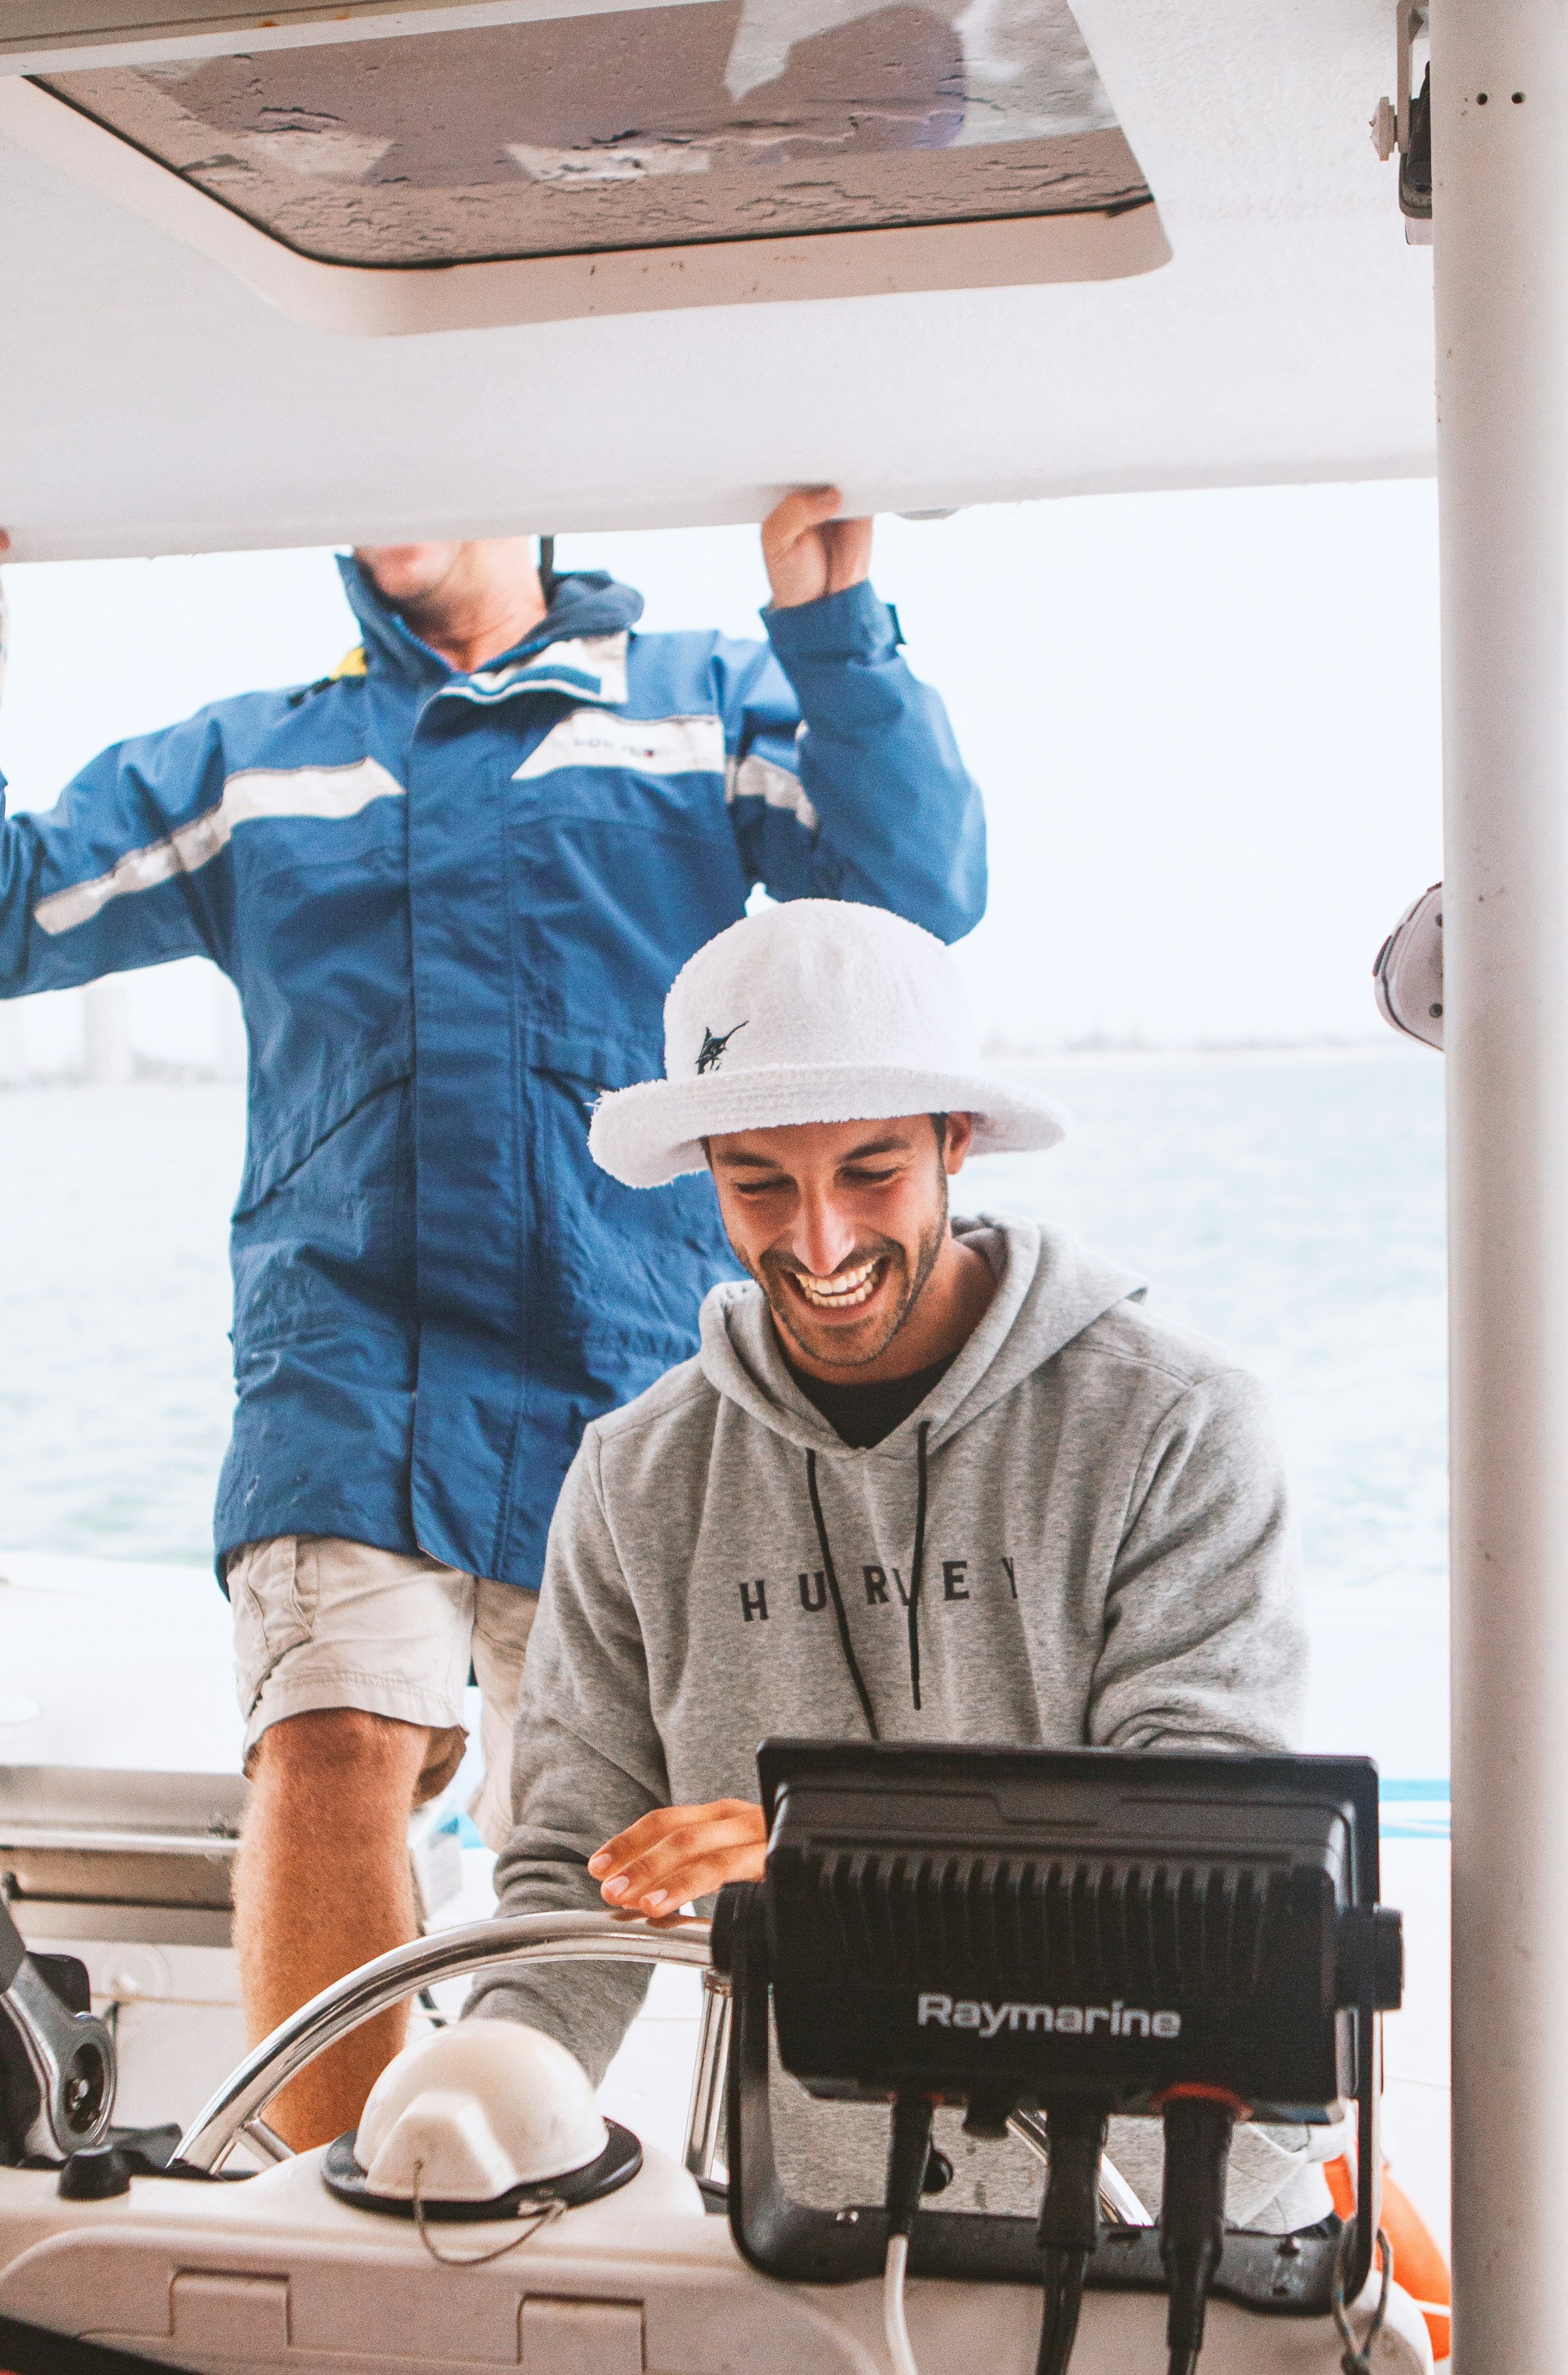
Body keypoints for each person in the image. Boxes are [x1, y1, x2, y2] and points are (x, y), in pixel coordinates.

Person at [0, 501, 985, 2147]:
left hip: (626, 1365)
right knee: (328, 1745)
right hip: (344, 1365)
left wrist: (835, 626)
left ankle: (678, 2184)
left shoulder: (696, 701)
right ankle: (346, 2221)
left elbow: (913, 890)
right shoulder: (258, 761)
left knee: (631, 1824)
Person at [483, 899, 1328, 2226]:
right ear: (706, 1169)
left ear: (958, 1142)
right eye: (760, 1182)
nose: (817, 1244)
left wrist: (822, 1867)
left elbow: (1205, 1845)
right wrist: (479, 2100)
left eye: (871, 1172)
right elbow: (570, 1881)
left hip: (1174, 2217)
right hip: (813, 2217)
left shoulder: (1178, 1420)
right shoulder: (631, 1475)